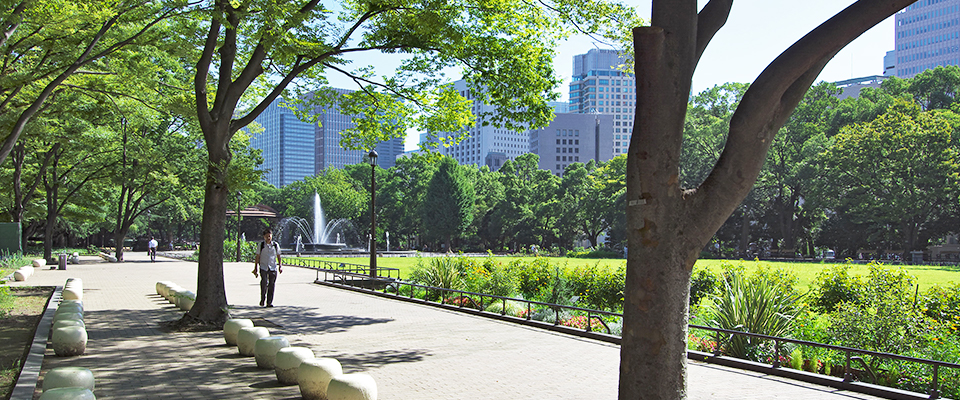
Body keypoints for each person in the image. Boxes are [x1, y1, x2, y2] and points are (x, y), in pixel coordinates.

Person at [253, 228, 282, 307]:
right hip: (263, 267)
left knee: (272, 285)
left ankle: (269, 302)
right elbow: (257, 256)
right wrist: (255, 267)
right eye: (267, 236)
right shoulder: (261, 245)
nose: (268, 238)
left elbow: (279, 256)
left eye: (269, 236)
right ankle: (263, 298)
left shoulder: (275, 245)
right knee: (264, 282)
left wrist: (280, 266)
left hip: (273, 267)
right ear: (264, 237)